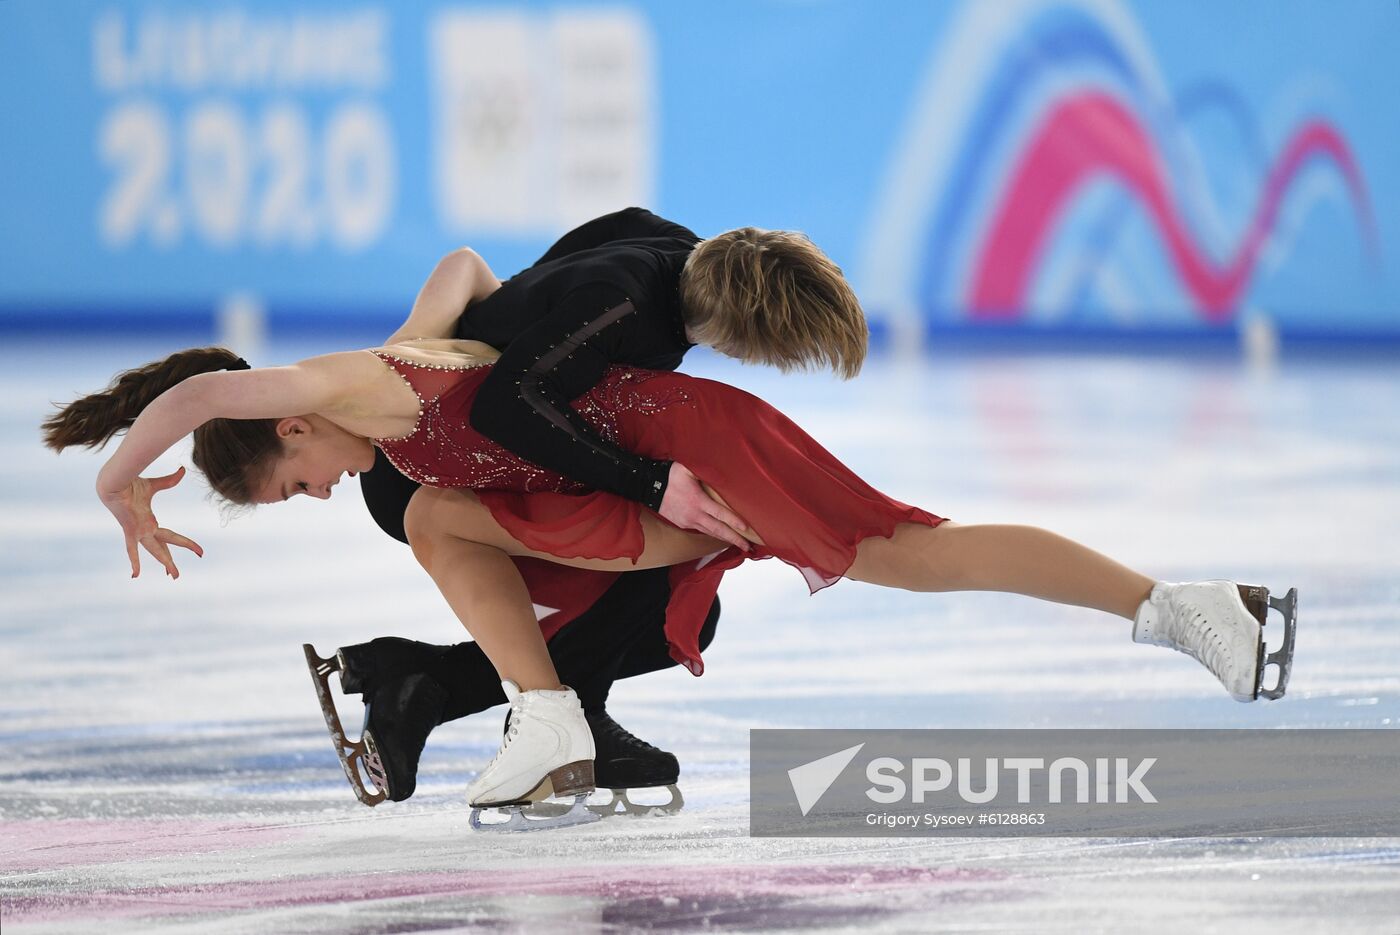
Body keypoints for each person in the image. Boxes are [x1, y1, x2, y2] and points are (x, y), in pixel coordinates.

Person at [42, 330, 1296, 824]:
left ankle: (1182, 606)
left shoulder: (344, 386)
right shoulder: (393, 419)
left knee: (915, 553)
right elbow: (470, 279)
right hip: (640, 471)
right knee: (440, 523)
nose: (312, 495)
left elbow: (205, 390)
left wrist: (119, 478)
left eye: (286, 482)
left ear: (290, 430)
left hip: (685, 444)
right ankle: (543, 719)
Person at [338, 207, 866, 805]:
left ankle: (431, 684)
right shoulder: (623, 308)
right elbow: (504, 402)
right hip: (432, 471)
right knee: (658, 592)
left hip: (471, 453)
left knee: (682, 618)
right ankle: (550, 716)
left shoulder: (661, 240)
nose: (750, 362)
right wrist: (650, 483)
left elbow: (535, 295)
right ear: (740, 329)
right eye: (761, 350)